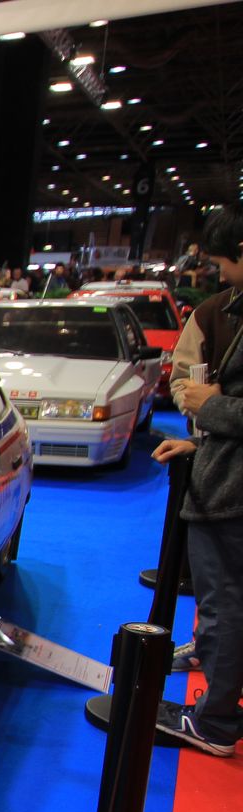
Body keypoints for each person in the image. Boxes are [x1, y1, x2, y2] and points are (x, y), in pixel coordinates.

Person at [150, 205, 243, 757]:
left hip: (230, 497)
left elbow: (217, 402)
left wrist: (211, 409)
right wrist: (201, 443)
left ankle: (214, 725)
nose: (218, 274)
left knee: (225, 604)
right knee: (224, 604)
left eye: (223, 262)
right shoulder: (226, 307)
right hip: (222, 472)